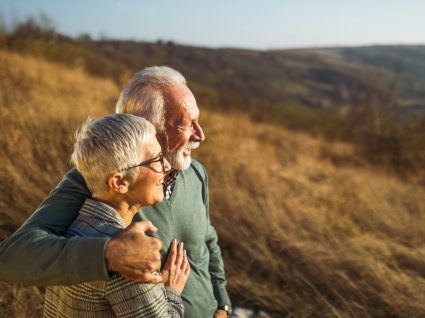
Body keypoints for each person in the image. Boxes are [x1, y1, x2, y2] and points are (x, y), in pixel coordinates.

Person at [0, 66, 232, 317]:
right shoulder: (96, 179)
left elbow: (208, 240)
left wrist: (222, 304)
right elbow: (12, 258)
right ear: (144, 125)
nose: (201, 135)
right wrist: (109, 254)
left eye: (198, 121)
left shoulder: (196, 172)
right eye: (185, 123)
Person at [44, 114, 189, 317]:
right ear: (119, 182)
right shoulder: (129, 260)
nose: (166, 166)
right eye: (156, 159)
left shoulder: (70, 227)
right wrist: (171, 292)